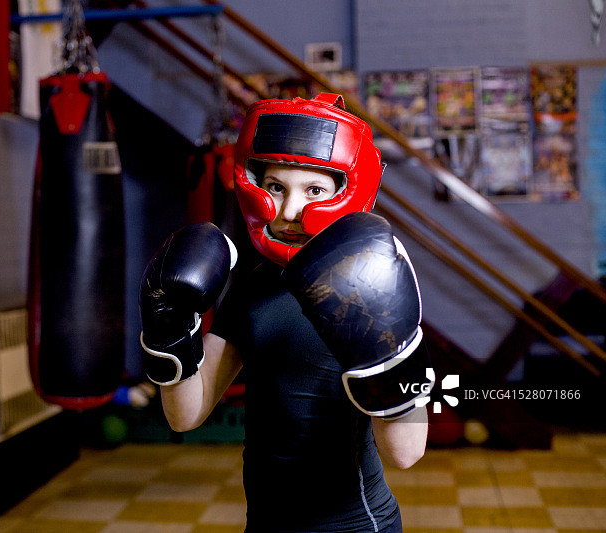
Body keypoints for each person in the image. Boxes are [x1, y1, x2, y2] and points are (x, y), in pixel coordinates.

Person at [139, 93, 434, 532]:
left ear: (348, 192)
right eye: (276, 187)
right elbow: (186, 415)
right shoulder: (254, 284)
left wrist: (387, 356)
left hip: (355, 526)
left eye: (314, 189)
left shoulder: (369, 284)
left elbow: (407, 453)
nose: (291, 210)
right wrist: (169, 328)